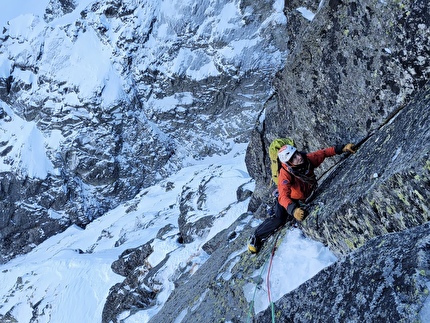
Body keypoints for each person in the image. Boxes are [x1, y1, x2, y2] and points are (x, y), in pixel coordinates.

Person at [248, 143, 357, 253]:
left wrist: (342, 148)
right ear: (289, 162)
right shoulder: (285, 174)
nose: (299, 157)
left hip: (302, 198)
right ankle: (255, 237)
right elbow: (283, 196)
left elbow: (323, 153)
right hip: (289, 201)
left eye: (297, 154)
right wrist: (293, 210)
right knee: (279, 219)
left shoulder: (307, 160)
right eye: (294, 158)